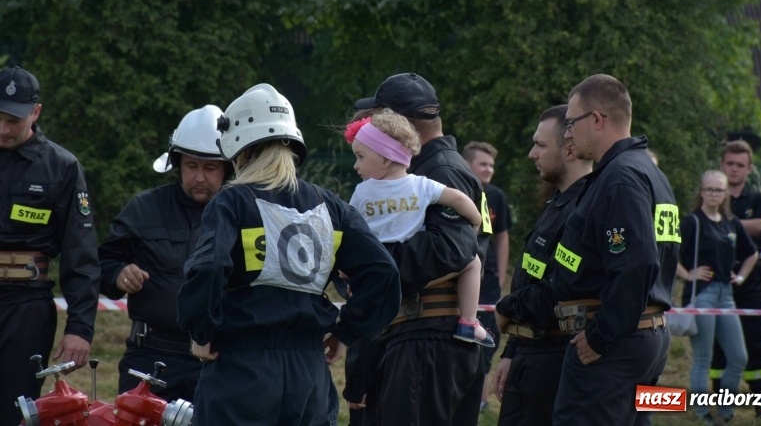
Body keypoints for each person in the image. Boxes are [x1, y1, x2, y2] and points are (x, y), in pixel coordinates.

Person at [176, 83, 401, 426]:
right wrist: (346, 332)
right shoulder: (331, 207)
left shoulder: (232, 202)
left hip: (242, 370)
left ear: (237, 145)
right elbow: (384, 272)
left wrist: (201, 331)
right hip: (309, 375)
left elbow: (209, 267)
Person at [352, 72, 486, 426]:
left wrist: (370, 269)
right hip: (417, 338)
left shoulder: (440, 171)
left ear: (399, 124)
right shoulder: (413, 173)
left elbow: (451, 249)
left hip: (428, 339)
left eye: (377, 118)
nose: (370, 125)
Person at [549, 74, 678, 425]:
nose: (568, 133)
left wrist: (600, 336)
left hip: (616, 343)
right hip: (644, 336)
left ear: (596, 119)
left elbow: (637, 264)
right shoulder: (649, 173)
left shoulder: (620, 177)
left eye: (571, 122)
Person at [98, 105, 230, 402]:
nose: (199, 177)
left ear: (227, 168)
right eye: (191, 166)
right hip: (149, 357)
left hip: (218, 360)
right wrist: (118, 273)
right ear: (177, 164)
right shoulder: (144, 208)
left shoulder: (242, 214)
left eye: (210, 168)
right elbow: (102, 263)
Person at [0, 66, 100, 426]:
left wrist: (80, 328)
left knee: (14, 412)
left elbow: (81, 253)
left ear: (36, 112)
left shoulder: (61, 168)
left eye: (13, 120)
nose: (3, 129)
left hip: (25, 310)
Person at [345, 111, 493, 346]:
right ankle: (469, 322)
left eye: (360, 157)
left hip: (375, 261)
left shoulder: (361, 192)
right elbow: (458, 199)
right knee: (472, 262)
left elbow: (350, 229)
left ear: (385, 158)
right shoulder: (421, 185)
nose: (356, 165)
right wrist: (476, 221)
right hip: (411, 261)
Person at [493, 105, 592, 426]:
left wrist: (506, 308)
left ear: (570, 149)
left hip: (557, 356)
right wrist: (512, 351)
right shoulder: (557, 202)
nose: (531, 154)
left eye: (540, 145)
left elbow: (557, 290)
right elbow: (531, 278)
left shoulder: (584, 209)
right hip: (529, 351)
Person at [675, 170, 758, 424]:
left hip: (727, 294)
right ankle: (702, 413)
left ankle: (725, 409)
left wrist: (740, 277)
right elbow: (667, 254)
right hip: (702, 295)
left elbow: (752, 254)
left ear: (725, 194)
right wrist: (688, 275)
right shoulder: (692, 222)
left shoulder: (731, 222)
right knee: (703, 357)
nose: (714, 194)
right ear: (701, 192)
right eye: (709, 189)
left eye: (719, 190)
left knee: (739, 357)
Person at [711, 140, 761, 416]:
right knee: (718, 346)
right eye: (730, 164)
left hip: (750, 283)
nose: (734, 169)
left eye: (740, 165)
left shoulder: (759, 200)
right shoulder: (711, 196)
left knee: (755, 344)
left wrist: (724, 223)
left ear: (749, 169)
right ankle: (721, 405)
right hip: (716, 281)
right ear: (722, 165)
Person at [461, 141, 512, 410]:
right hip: (461, 278)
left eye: (491, 165)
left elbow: (502, 237)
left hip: (488, 281)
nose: (489, 169)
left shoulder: (495, 196)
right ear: (468, 165)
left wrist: (501, 276)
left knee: (488, 338)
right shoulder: (455, 191)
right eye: (483, 164)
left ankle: (480, 401)